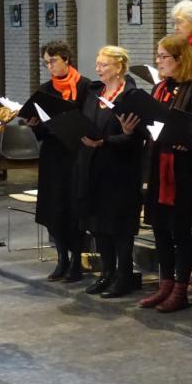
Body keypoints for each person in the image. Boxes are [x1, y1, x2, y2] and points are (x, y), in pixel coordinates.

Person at [138, 34, 192, 313]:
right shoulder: (160, 88)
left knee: (179, 230)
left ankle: (180, 289)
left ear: (180, 59)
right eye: (158, 56)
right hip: (157, 164)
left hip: (181, 167)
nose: (158, 61)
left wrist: (185, 138)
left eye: (163, 56)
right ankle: (164, 284)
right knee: (160, 228)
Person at [76, 46, 145, 298]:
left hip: (120, 170)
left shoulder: (131, 95)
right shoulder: (95, 93)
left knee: (120, 227)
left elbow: (138, 137)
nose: (98, 68)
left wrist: (108, 141)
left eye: (104, 64)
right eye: (98, 63)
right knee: (98, 225)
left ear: (118, 66)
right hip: (93, 166)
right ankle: (106, 273)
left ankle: (124, 276)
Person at [27, 41, 92, 282]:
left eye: (53, 61)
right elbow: (42, 131)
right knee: (53, 208)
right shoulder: (45, 90)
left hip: (76, 154)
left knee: (74, 209)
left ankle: (77, 261)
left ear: (66, 59)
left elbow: (87, 121)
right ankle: (62, 258)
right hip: (53, 155)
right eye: (46, 62)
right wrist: (35, 127)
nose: (49, 66)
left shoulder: (85, 87)